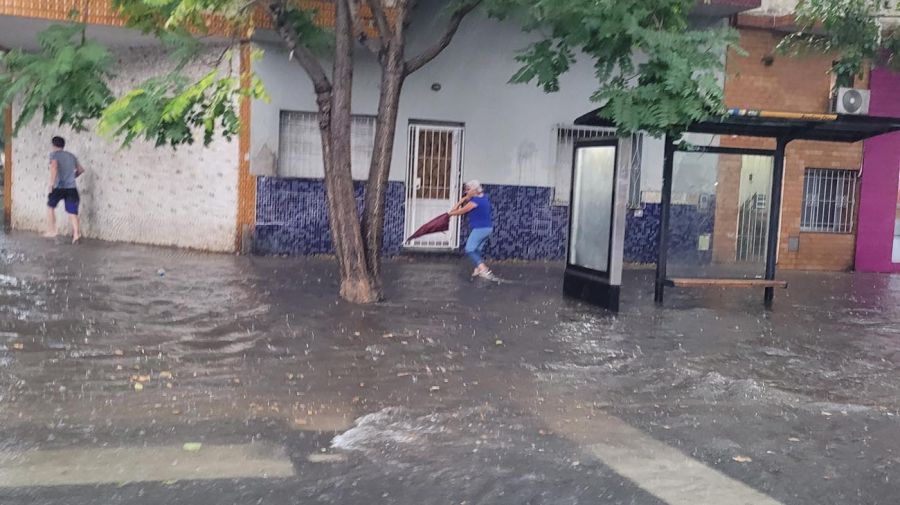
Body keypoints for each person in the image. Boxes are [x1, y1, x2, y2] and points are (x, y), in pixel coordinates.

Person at [449, 180, 497, 280]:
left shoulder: (474, 202)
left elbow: (458, 211)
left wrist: (449, 213)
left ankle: (484, 269)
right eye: (466, 189)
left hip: (480, 229)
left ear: (474, 190)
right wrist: (464, 199)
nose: (466, 191)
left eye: (468, 189)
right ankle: (478, 269)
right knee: (477, 249)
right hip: (488, 229)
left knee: (469, 249)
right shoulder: (484, 197)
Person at [45, 136, 84, 243]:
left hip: (58, 187)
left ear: (53, 145)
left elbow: (54, 167)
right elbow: (80, 170)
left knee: (50, 207)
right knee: (72, 212)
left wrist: (51, 184)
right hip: (71, 188)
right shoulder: (71, 156)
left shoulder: (53, 155)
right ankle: (76, 235)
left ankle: (52, 230)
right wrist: (71, 177)